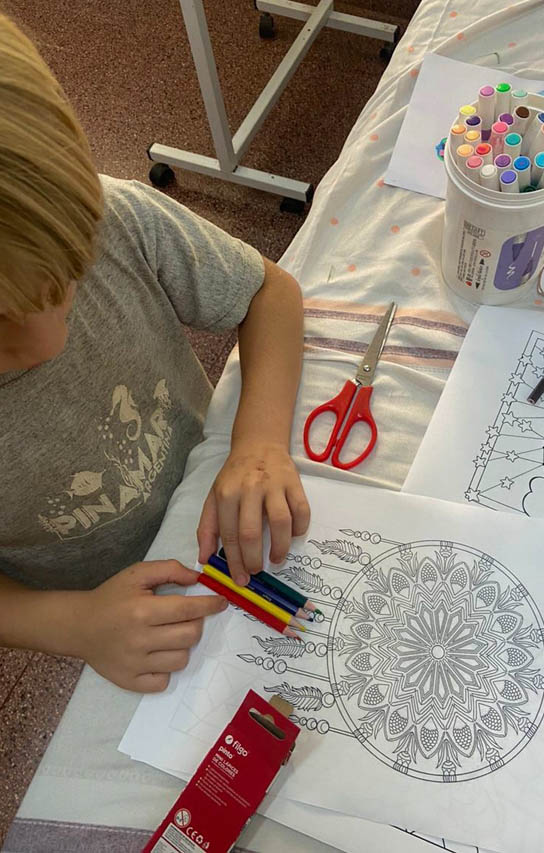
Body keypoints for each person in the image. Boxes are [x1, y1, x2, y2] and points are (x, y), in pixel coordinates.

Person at [0, 13, 310, 693]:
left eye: (67, 275)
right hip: (91, 600)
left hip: (205, 498)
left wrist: (259, 442)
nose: (47, 338)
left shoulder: (110, 214)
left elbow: (271, 292)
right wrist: (73, 623)